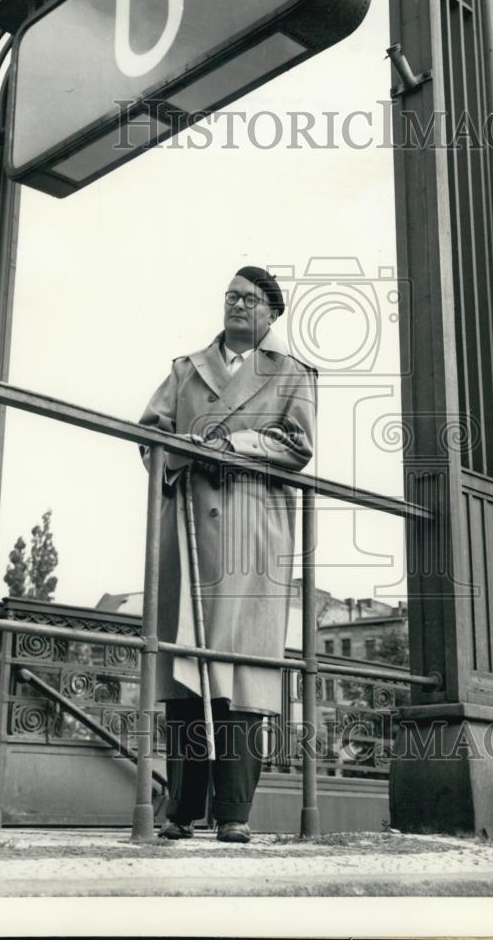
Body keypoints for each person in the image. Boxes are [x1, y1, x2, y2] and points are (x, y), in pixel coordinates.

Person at [139, 265, 317, 843]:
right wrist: (180, 452)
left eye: (249, 298)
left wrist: (232, 444)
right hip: (189, 528)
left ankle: (234, 813)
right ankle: (181, 811)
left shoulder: (292, 373)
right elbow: (151, 436)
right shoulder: (184, 369)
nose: (236, 306)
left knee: (243, 673)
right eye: (230, 297)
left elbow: (299, 446)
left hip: (250, 534)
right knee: (186, 667)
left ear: (271, 312)